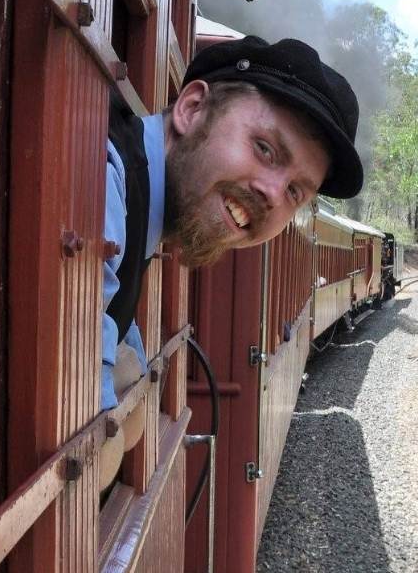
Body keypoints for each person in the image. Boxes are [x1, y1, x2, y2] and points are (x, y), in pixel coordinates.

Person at [98, 36, 363, 489]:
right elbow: (86, 439)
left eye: (296, 192)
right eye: (265, 148)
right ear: (192, 108)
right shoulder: (103, 174)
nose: (274, 195)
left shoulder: (142, 218)